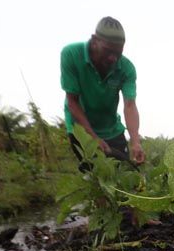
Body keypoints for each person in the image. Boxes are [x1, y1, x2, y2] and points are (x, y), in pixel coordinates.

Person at [61, 17, 145, 168]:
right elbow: (72, 101)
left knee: (124, 172)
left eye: (118, 53)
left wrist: (135, 142)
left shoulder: (126, 68)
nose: (113, 58)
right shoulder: (71, 55)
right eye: (108, 51)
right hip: (81, 128)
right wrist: (93, 138)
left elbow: (130, 105)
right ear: (94, 40)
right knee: (94, 172)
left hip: (111, 128)